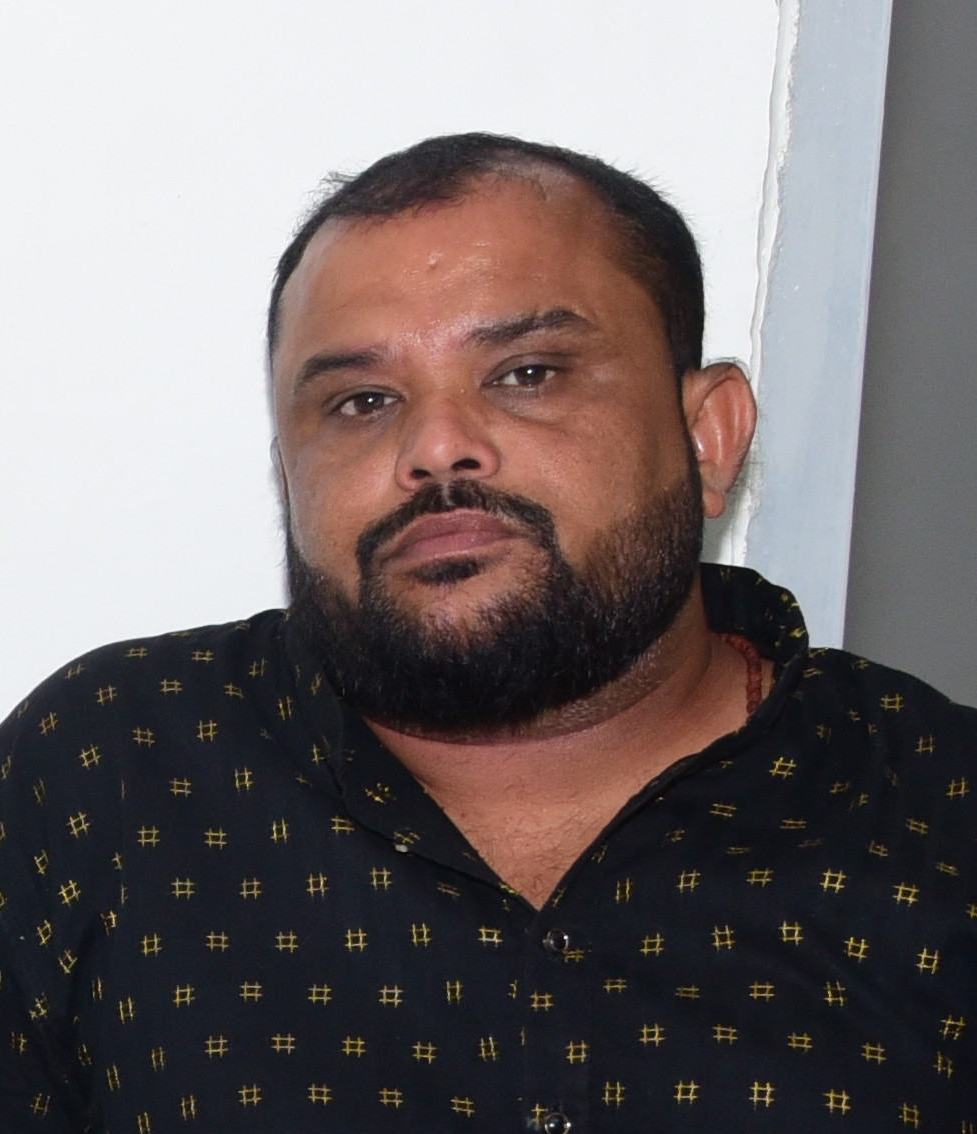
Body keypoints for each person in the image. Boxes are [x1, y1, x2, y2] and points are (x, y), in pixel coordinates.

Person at [1, 133, 974, 1133]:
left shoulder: (937, 813)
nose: (435, 449)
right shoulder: (112, 772)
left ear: (707, 438)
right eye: (362, 401)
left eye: (527, 374)